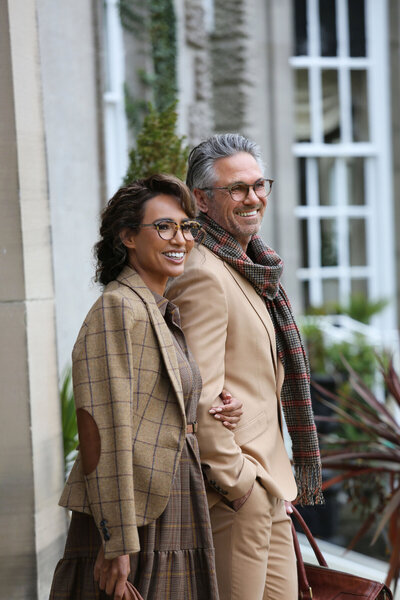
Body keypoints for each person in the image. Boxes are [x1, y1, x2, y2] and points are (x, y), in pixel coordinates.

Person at [49, 174, 243, 600]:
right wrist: (115, 540)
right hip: (136, 515)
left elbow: (160, 405)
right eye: (164, 226)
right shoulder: (117, 308)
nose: (181, 239)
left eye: (186, 227)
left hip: (173, 495)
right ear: (128, 237)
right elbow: (103, 432)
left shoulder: (156, 309)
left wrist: (215, 405)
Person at [166, 134, 324, 600]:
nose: (253, 197)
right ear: (201, 200)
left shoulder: (251, 265)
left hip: (270, 484)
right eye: (236, 188)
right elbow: (199, 391)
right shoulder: (202, 271)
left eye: (258, 185)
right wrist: (238, 484)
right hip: (239, 491)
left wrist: (268, 486)